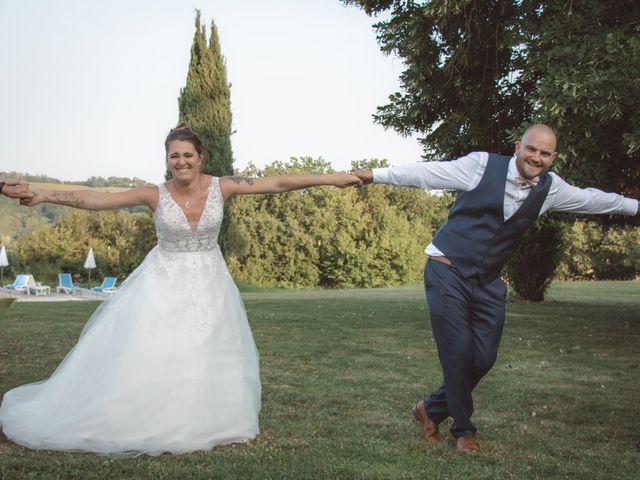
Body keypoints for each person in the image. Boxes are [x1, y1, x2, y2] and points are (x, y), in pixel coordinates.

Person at [0, 123, 362, 455]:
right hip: (162, 280)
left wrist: (333, 179)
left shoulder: (224, 186)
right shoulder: (154, 194)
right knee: (156, 348)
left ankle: (210, 419)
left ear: (201, 158)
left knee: (209, 348)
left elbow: (279, 182)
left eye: (188, 154)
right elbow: (96, 199)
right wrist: (44, 194)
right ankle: (147, 415)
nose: (182, 161)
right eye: (175, 155)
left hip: (211, 280)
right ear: (167, 160)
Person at [353, 124, 639, 452]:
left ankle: (430, 408)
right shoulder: (480, 166)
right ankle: (463, 431)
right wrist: (374, 175)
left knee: (484, 358)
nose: (536, 157)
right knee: (458, 354)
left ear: (553, 157)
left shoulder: (551, 189)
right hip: (447, 269)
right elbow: (426, 173)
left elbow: (593, 200)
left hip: (488, 281)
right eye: (531, 149)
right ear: (519, 146)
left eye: (545, 153)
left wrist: (635, 207)